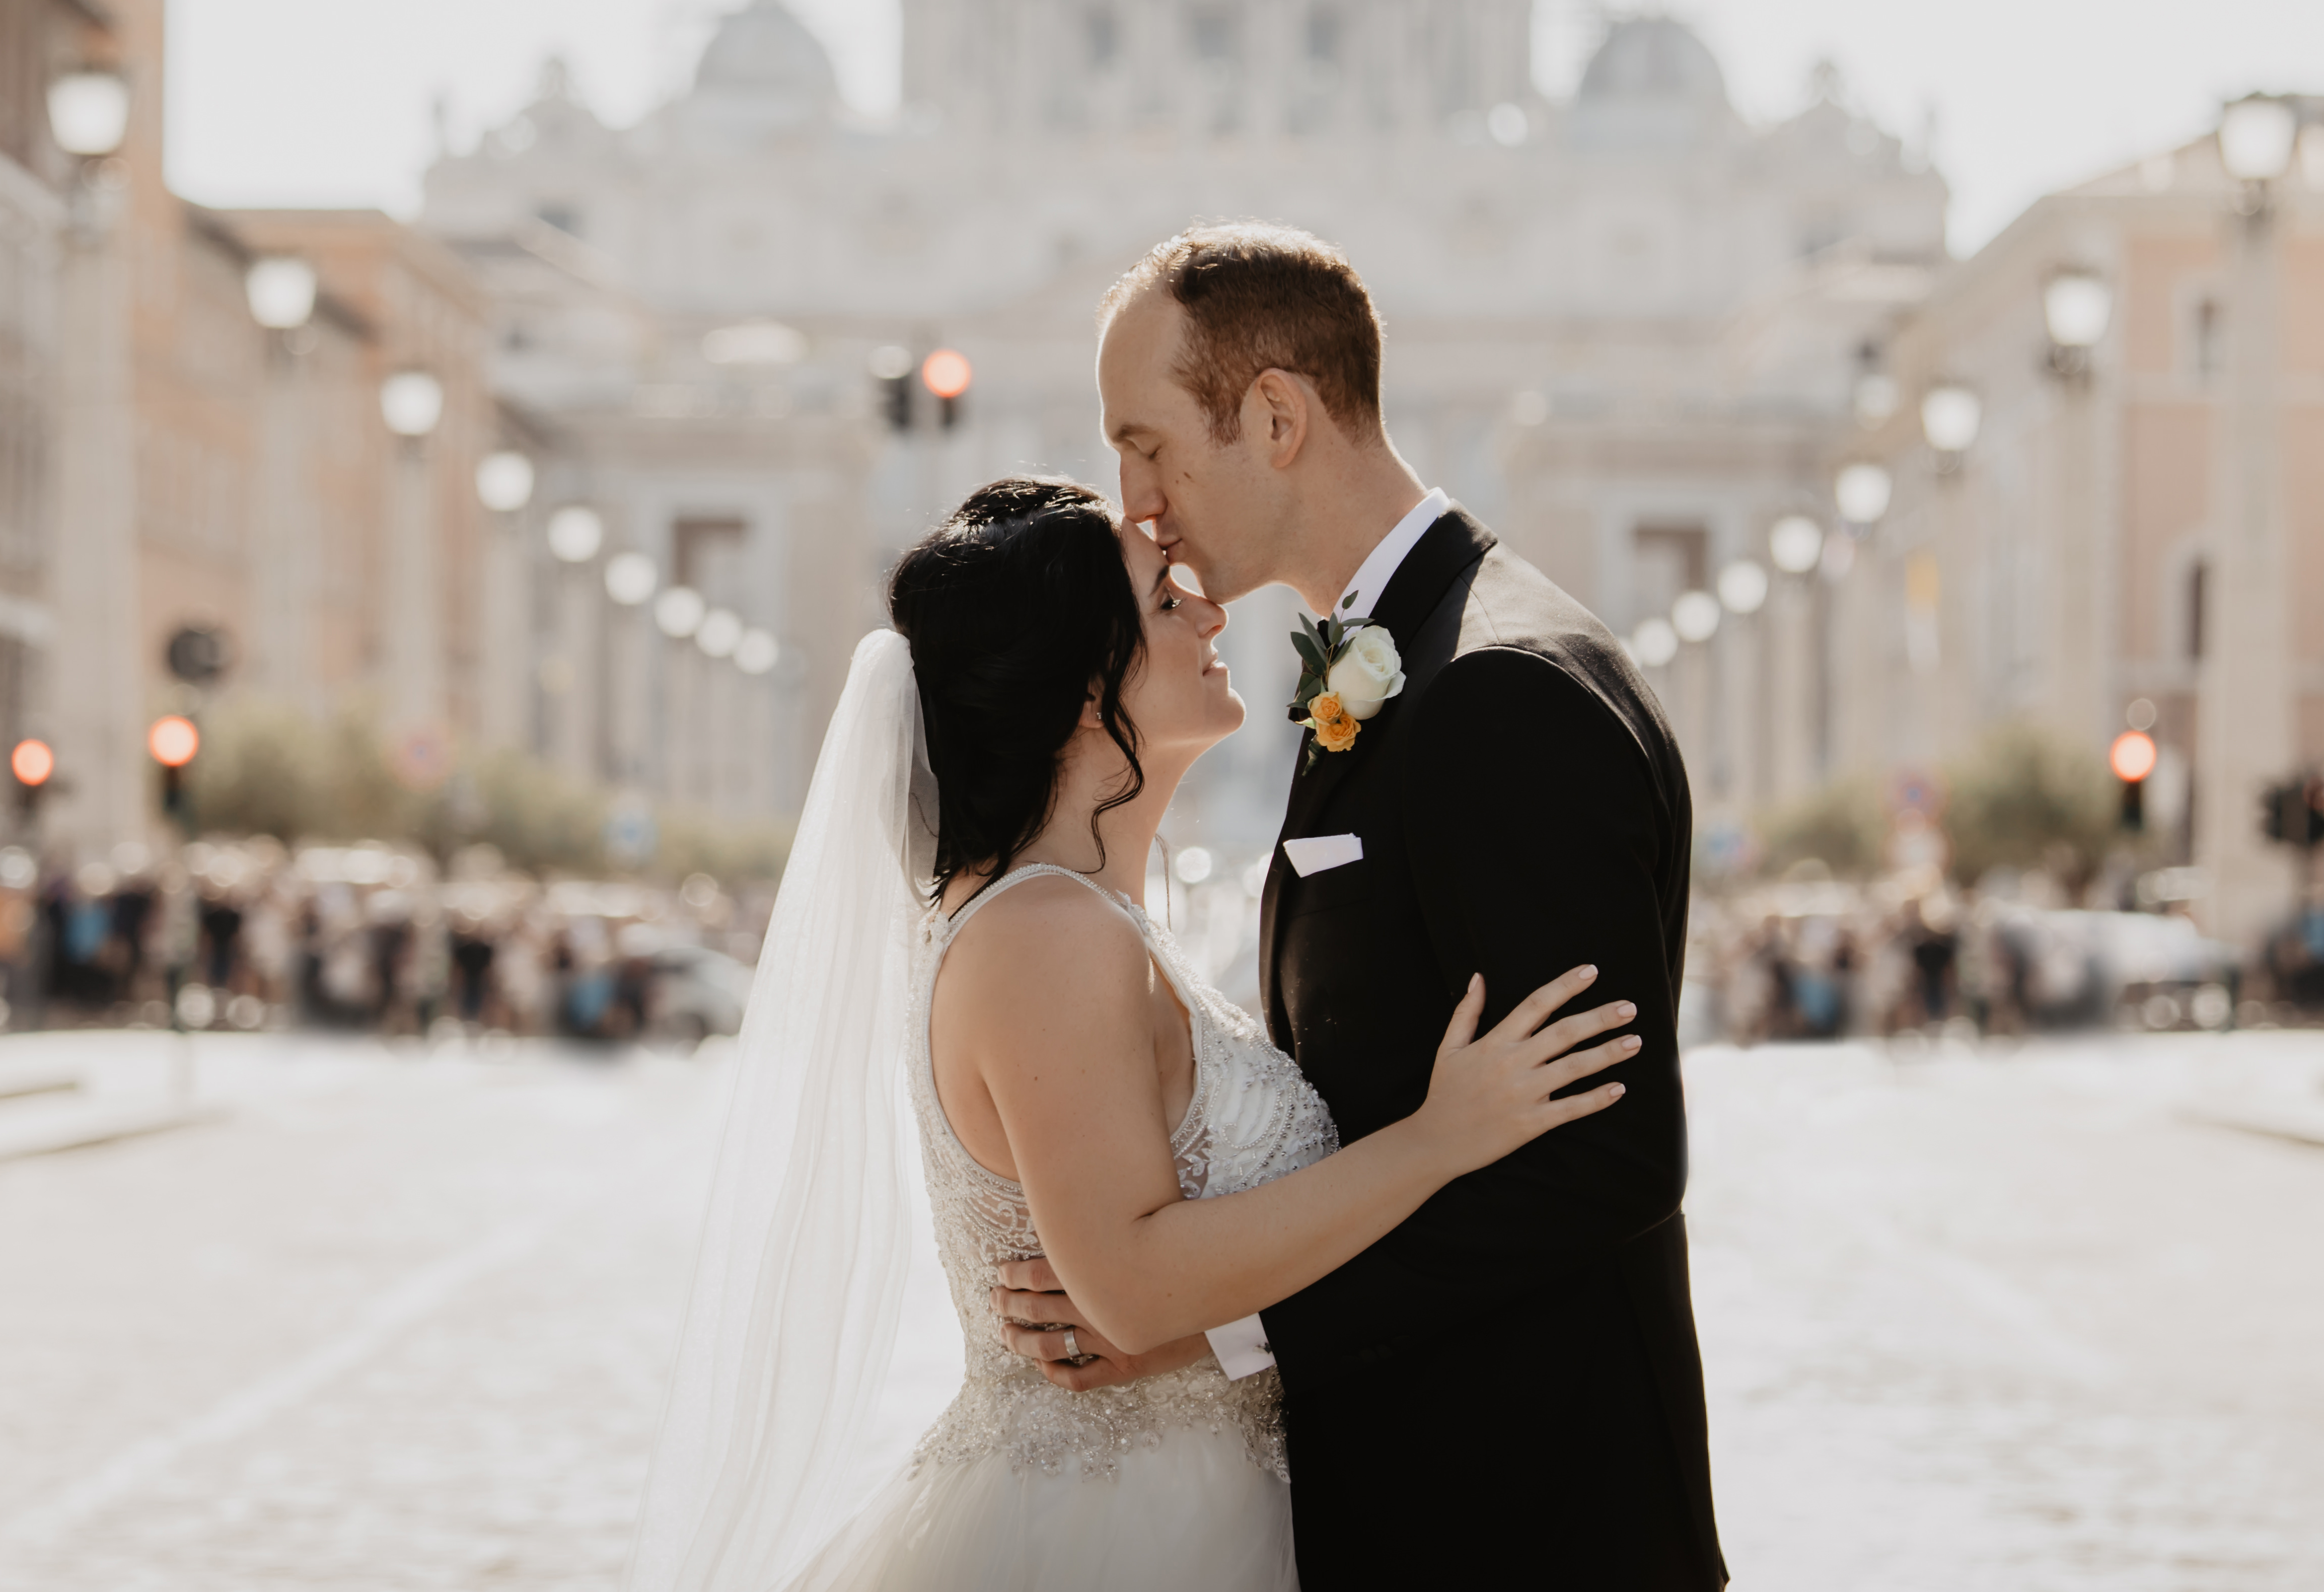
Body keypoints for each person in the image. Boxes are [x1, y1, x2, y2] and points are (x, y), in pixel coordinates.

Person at [632, 476, 1636, 1592]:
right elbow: (1136, 1286)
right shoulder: (1045, 933)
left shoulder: (1079, 916)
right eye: (1168, 602)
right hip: (1114, 1532)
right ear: (1079, 684)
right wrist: (1441, 1138)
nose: (1213, 616)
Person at [1007, 221, 1727, 1587]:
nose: (1134, 499)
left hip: (1530, 1520)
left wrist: (1214, 1331)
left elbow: (1604, 1156)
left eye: (1147, 441)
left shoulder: (1497, 687)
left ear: (1272, 414)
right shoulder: (1411, 655)